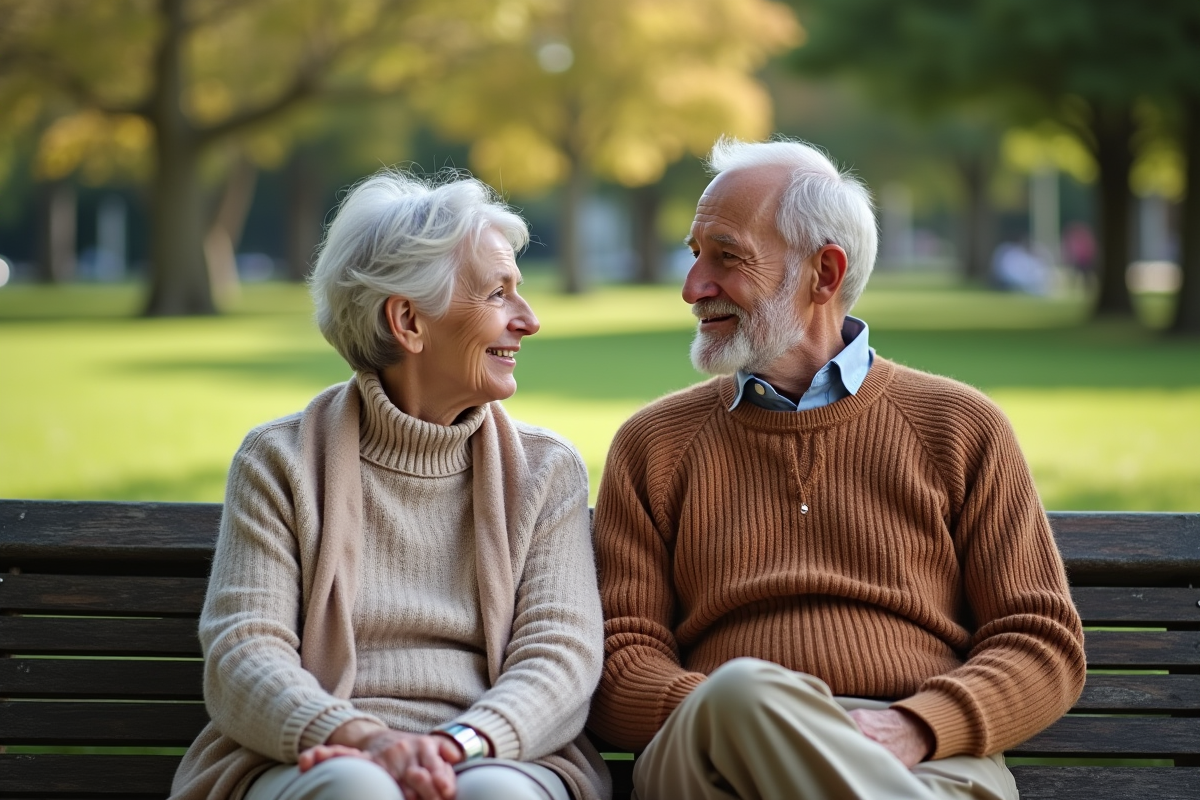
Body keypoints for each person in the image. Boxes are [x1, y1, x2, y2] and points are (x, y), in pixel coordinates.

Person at [588, 138, 1085, 800]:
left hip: (921, 758)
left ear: (824, 274)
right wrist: (741, 716)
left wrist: (913, 726)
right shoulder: (654, 445)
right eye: (695, 254)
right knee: (741, 690)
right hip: (711, 752)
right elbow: (620, 666)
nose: (693, 287)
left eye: (726, 257)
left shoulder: (959, 426)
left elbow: (1040, 643)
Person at [171, 170, 610, 800]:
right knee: (358, 790)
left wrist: (455, 745)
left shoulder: (546, 471)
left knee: (496, 796)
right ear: (408, 321)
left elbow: (560, 658)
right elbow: (245, 652)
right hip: (314, 756)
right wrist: (365, 741)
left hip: (494, 753)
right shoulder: (279, 461)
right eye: (497, 294)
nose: (529, 320)